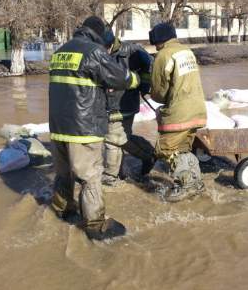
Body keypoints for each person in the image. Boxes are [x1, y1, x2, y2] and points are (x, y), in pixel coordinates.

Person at [49, 16, 140, 240]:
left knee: (63, 173)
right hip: (84, 127)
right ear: (99, 34)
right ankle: (95, 225)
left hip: (58, 126)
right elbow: (120, 77)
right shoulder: (93, 52)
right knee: (90, 176)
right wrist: (137, 80)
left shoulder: (60, 51)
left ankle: (63, 210)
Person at [148, 22, 207, 202]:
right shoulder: (186, 51)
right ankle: (196, 183)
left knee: (165, 149)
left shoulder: (163, 55)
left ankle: (187, 184)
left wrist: (155, 97)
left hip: (179, 113)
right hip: (198, 110)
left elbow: (158, 92)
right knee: (182, 149)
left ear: (158, 40)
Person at [101, 29, 155, 185]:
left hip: (126, 102)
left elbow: (150, 64)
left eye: (103, 47)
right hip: (107, 104)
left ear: (111, 43)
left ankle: (112, 175)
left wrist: (144, 84)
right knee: (120, 136)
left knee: (112, 138)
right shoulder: (98, 52)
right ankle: (146, 156)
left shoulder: (132, 50)